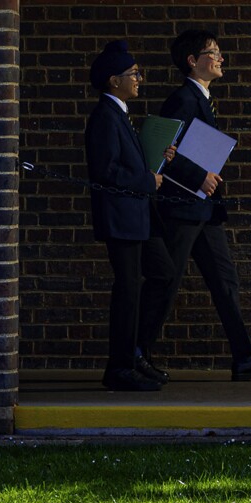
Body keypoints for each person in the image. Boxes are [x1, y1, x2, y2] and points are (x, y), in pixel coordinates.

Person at [136, 30, 251, 382]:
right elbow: (164, 151)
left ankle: (244, 357)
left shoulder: (200, 99)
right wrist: (198, 177)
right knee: (166, 282)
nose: (220, 59)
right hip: (184, 209)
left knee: (224, 281)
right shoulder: (183, 100)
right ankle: (136, 351)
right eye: (213, 52)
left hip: (203, 210)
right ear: (193, 61)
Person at [82, 40, 177, 393]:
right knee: (127, 291)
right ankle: (120, 367)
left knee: (163, 274)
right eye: (133, 73)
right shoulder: (105, 116)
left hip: (138, 215)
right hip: (122, 217)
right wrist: (146, 180)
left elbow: (125, 163)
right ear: (113, 80)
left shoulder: (119, 113)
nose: (139, 78)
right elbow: (106, 171)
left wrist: (156, 158)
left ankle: (135, 353)